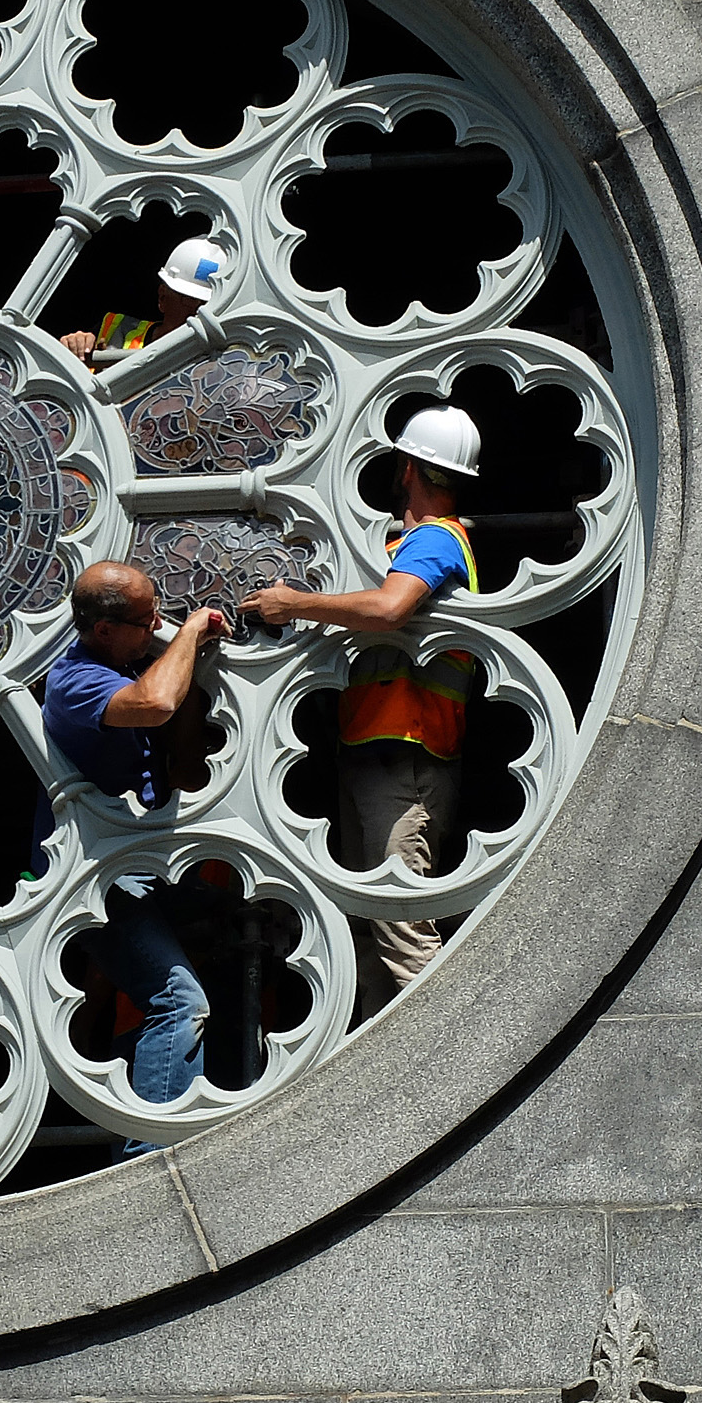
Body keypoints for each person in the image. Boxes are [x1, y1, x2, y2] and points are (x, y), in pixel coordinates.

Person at [239, 403, 483, 1017]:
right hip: (378, 754)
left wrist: (295, 603)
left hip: (406, 759)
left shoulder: (434, 540)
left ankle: (463, 1051)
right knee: (368, 935)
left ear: (406, 468)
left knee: (402, 930)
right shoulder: (411, 542)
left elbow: (389, 609)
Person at [39, 561, 231, 1145]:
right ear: (102, 630)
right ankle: (151, 1153)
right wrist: (192, 633)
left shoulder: (127, 662)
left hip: (147, 867)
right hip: (98, 878)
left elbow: (183, 753)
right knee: (178, 1001)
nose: (157, 627)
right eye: (146, 620)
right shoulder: (75, 683)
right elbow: (154, 705)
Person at [58, 235, 226, 361]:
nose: (199, 312)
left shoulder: (216, 361)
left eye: (207, 303)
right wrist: (75, 344)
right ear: (162, 297)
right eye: (189, 299)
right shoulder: (115, 328)